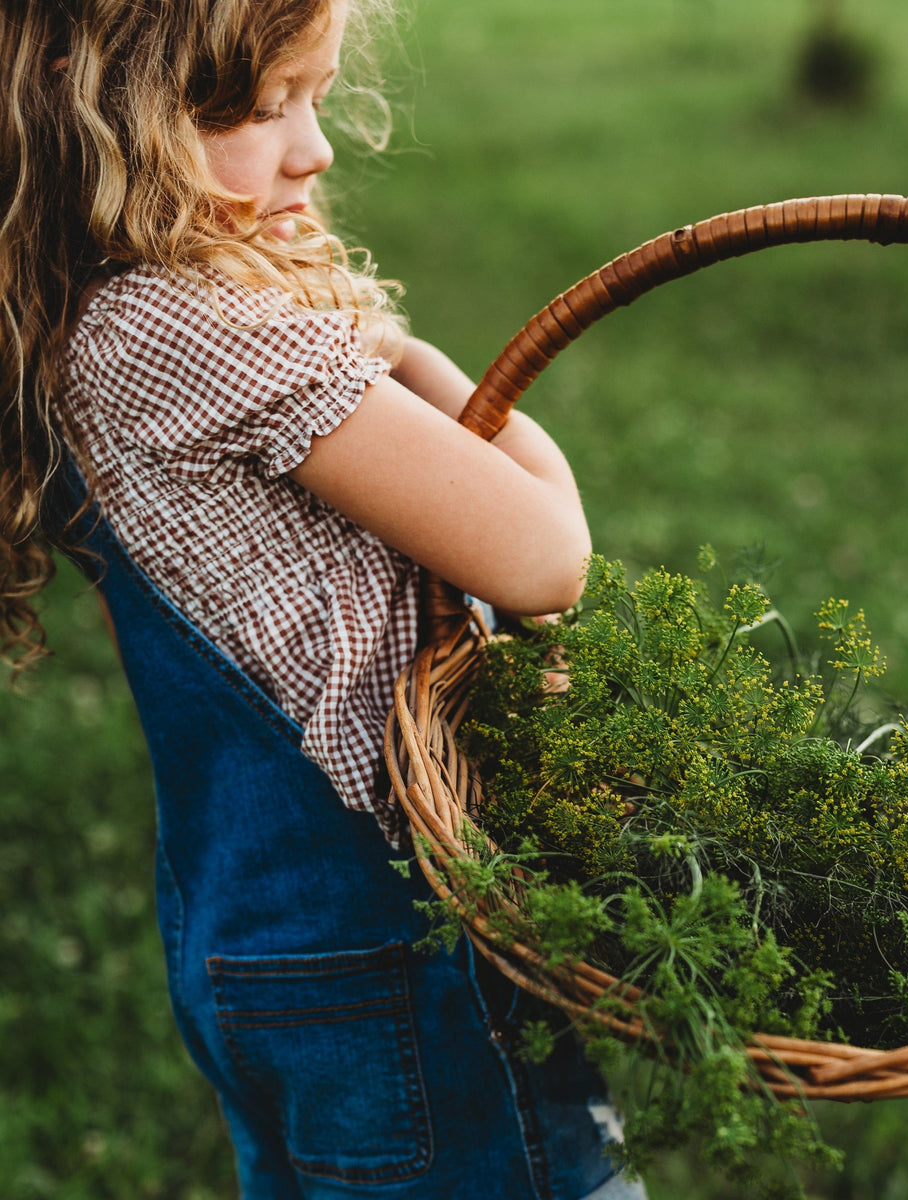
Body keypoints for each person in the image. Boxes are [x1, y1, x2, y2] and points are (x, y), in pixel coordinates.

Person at [0, 1, 645, 1196]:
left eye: (314, 94)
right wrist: (407, 361)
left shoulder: (81, 322)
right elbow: (547, 553)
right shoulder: (189, 326)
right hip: (393, 938)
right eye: (254, 107)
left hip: (263, 947)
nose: (315, 148)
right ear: (97, 110)